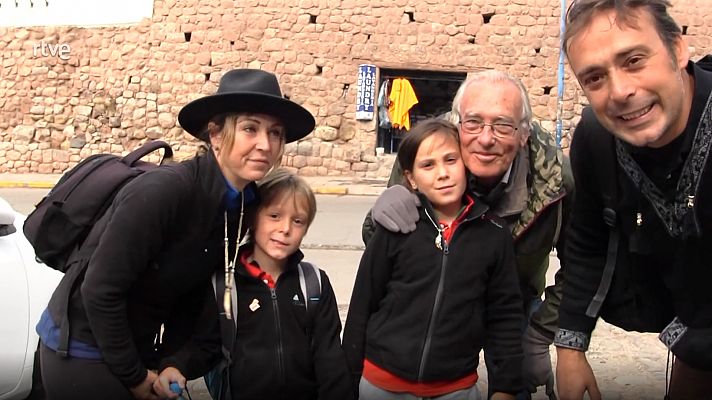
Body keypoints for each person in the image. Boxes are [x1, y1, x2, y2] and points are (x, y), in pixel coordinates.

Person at [36, 69, 315, 399]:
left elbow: (191, 293)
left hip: (135, 350)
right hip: (83, 353)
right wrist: (136, 377)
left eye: (276, 133)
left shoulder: (238, 205)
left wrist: (175, 363)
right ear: (215, 135)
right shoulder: (164, 192)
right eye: (250, 129)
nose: (264, 144)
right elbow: (99, 289)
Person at [365, 70, 572, 398]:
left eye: (503, 125)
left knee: (514, 384)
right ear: (458, 124)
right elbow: (382, 248)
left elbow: (581, 265)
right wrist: (382, 212)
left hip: (513, 300)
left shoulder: (557, 181)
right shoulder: (427, 151)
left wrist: (541, 333)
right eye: (473, 123)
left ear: (523, 134)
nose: (486, 138)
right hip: (437, 294)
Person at [554, 1, 712, 399]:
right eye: (594, 78)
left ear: (678, 49)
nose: (621, 91)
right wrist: (570, 347)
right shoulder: (595, 138)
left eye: (635, 60)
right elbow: (587, 240)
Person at [344, 118, 525, 400]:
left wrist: (505, 387)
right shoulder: (397, 228)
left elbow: (504, 315)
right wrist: (347, 379)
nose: (442, 173)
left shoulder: (494, 233)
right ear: (412, 178)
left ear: (465, 164)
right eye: (428, 165)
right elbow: (362, 304)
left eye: (450, 160)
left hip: (455, 388)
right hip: (380, 384)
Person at [153, 168, 353, 400]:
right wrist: (174, 365)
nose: (285, 229)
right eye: (274, 216)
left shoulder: (313, 283)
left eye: (297, 221)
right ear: (253, 217)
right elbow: (205, 345)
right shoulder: (225, 285)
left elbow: (329, 358)